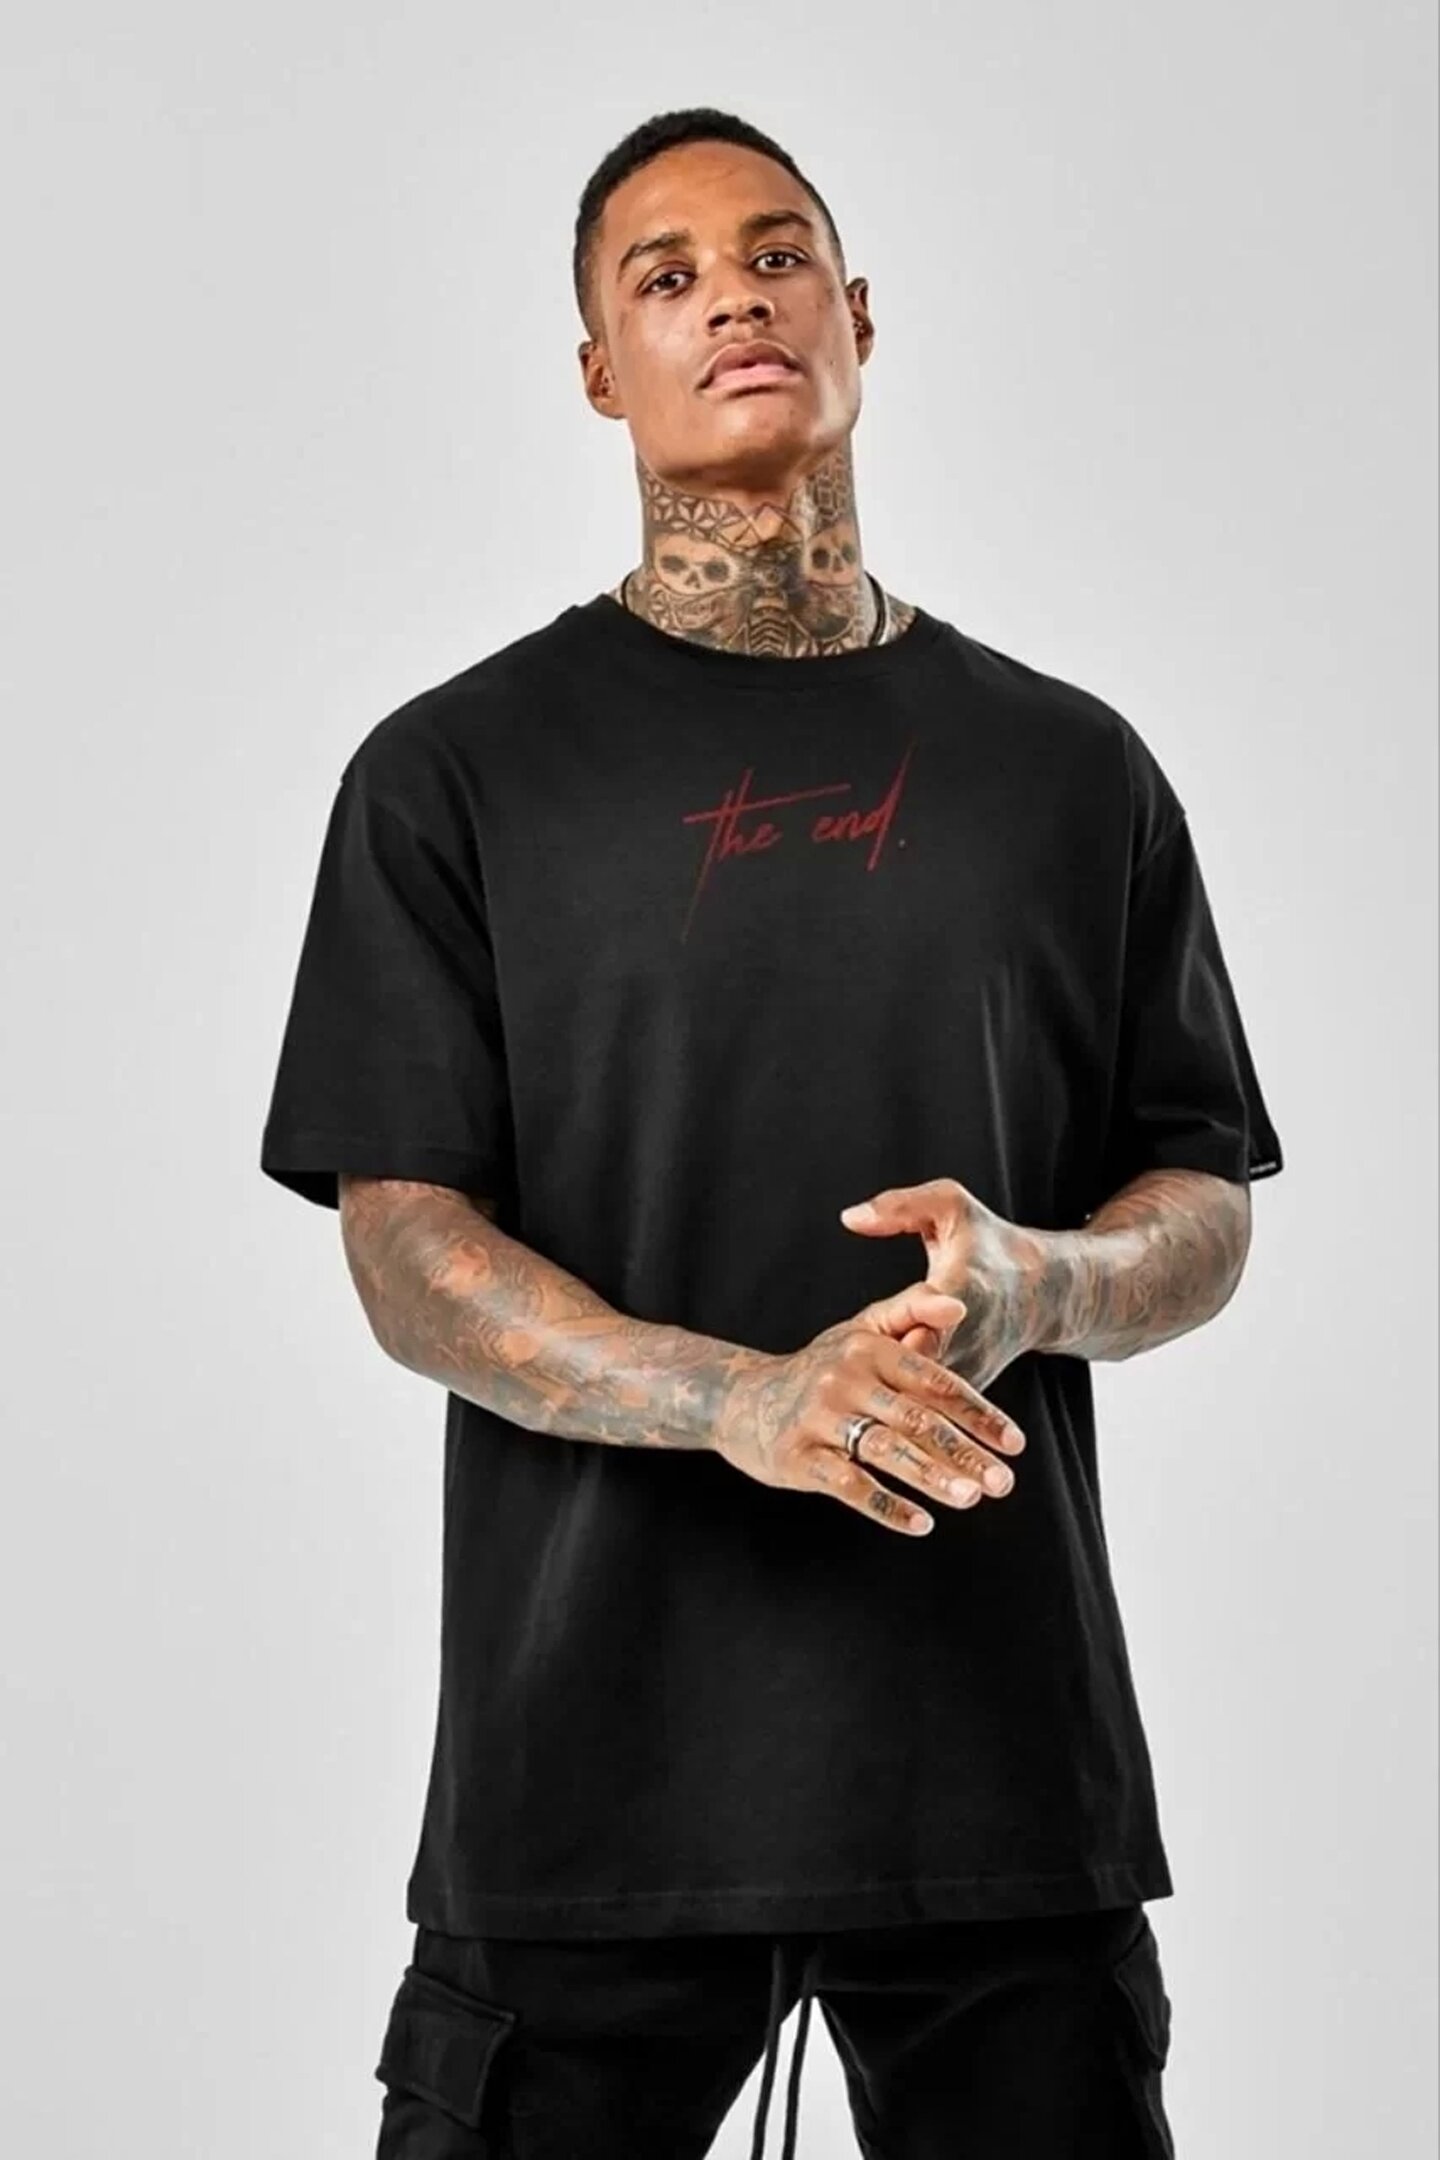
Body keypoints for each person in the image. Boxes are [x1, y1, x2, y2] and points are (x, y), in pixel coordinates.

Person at [259, 104, 1285, 2160]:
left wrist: (1041, 1279)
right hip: (589, 1794)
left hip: (999, 1788)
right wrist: (742, 1398)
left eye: (777, 251)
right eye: (667, 275)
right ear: (598, 369)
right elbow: (408, 1251)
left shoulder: (1072, 772)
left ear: (859, 315)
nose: (733, 294)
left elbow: (1199, 1196)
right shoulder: (455, 774)